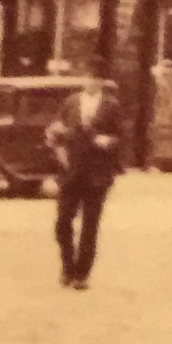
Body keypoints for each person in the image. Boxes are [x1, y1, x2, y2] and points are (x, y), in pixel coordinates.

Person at [46, 76, 124, 290]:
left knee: (90, 226)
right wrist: (55, 136)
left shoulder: (111, 106)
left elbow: (119, 136)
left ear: (100, 82)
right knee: (62, 223)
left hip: (97, 174)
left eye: (94, 78)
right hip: (71, 171)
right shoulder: (71, 102)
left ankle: (82, 274)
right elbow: (57, 126)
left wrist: (106, 141)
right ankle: (67, 266)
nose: (89, 82)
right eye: (87, 78)